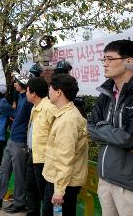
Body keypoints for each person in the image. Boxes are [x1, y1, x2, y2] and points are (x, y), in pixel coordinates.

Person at [87, 39, 133, 216]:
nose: (105, 64)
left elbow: (129, 138)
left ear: (129, 61)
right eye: (103, 59)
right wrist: (108, 129)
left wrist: (102, 127)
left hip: (131, 185)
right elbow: (90, 127)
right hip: (105, 178)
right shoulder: (106, 92)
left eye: (110, 59)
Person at [0, 74, 33, 213]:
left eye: (16, 82)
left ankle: (19, 202)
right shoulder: (21, 97)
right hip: (13, 139)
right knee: (4, 170)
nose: (14, 84)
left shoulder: (28, 101)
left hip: (20, 140)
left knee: (18, 173)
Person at [43, 74, 88, 216]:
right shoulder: (65, 114)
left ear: (58, 92)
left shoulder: (68, 120)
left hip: (62, 184)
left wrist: (59, 191)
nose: (48, 91)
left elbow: (65, 158)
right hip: (60, 181)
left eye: (50, 87)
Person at [24, 77, 56, 215]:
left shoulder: (49, 108)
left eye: (27, 90)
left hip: (44, 159)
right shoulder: (35, 107)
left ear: (33, 93)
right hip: (33, 154)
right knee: (30, 189)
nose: (25, 93)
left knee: (44, 193)